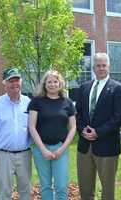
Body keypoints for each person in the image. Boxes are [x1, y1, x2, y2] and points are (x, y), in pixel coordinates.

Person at [75, 52, 121, 200]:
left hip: (107, 145)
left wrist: (98, 132)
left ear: (109, 67)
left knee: (107, 190)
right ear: (93, 68)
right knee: (85, 188)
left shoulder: (118, 88)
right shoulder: (84, 87)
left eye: (104, 65)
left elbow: (118, 117)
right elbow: (77, 113)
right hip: (84, 146)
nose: (101, 68)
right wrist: (82, 129)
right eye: (98, 65)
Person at [0, 68, 32, 200]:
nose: (15, 84)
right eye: (11, 81)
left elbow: (34, 129)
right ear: (5, 83)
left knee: (26, 191)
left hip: (25, 154)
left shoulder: (29, 103)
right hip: (2, 156)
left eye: (17, 80)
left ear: (21, 81)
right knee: (4, 192)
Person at [28, 70, 76, 200]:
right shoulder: (36, 102)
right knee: (45, 186)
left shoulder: (67, 102)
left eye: (55, 81)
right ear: (44, 84)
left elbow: (73, 128)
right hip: (40, 149)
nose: (52, 84)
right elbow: (31, 127)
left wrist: (62, 149)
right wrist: (43, 149)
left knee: (61, 186)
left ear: (60, 84)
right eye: (49, 82)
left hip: (60, 148)